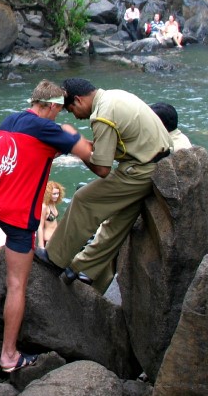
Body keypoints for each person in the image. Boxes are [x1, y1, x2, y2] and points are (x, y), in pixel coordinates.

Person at [0, 80, 91, 371]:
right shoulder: (46, 128)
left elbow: (35, 150)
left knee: (14, 266)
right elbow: (88, 153)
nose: (58, 116)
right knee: (17, 285)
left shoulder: (10, 120)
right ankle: (9, 355)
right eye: (59, 110)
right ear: (52, 106)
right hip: (18, 215)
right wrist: (71, 132)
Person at [38, 78, 172, 294]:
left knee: (83, 199)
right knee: (118, 223)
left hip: (142, 171)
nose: (74, 116)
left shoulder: (102, 115)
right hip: (157, 162)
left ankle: (54, 258)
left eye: (71, 110)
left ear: (78, 100)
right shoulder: (114, 96)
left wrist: (76, 147)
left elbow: (102, 169)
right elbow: (113, 144)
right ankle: (83, 270)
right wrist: (82, 144)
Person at [37, 181, 66, 250]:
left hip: (55, 239)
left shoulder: (52, 203)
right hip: (47, 241)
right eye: (54, 194)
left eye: (58, 193)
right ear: (48, 194)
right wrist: (41, 246)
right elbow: (40, 226)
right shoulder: (44, 207)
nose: (56, 196)